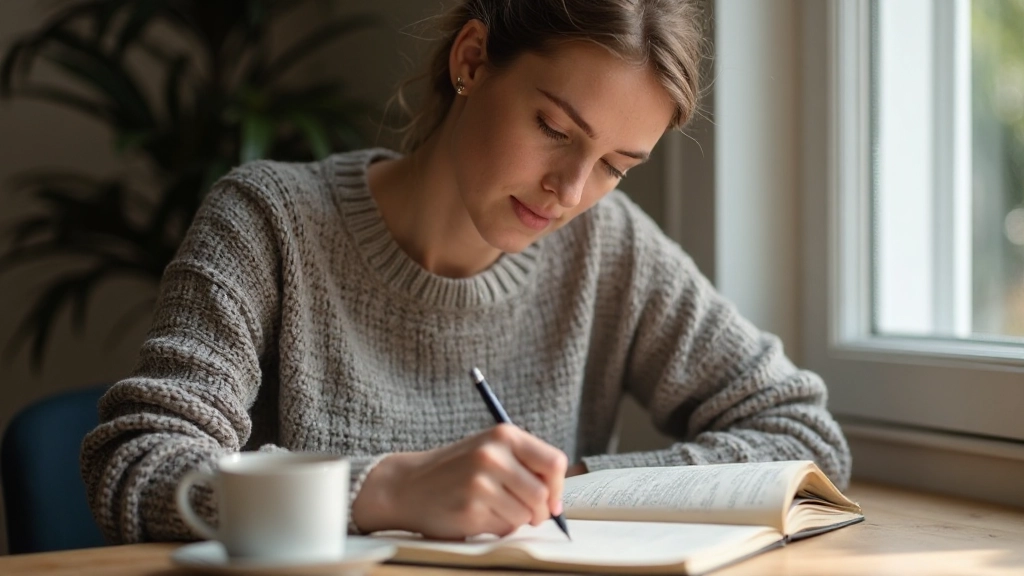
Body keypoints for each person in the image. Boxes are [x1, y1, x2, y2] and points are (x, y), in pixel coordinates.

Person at [81, 0, 851, 544]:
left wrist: (572, 483)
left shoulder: (607, 246)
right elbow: (141, 465)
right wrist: (387, 490)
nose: (571, 191)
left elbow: (804, 435)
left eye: (617, 165)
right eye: (554, 128)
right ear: (471, 61)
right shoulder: (269, 223)